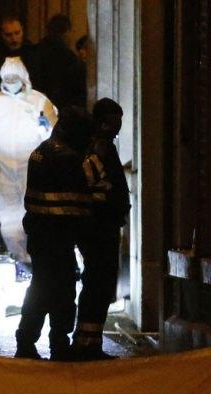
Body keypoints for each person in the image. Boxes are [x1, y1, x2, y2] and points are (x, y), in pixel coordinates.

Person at [14, 106, 93, 361]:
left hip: (39, 233)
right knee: (63, 292)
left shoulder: (41, 151)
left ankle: (26, 341)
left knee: (40, 289)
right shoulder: (68, 158)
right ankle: (58, 343)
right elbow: (77, 203)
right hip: (58, 235)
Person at [0, 57, 57, 273]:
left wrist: (47, 129)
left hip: (34, 169)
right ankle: (20, 259)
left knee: (36, 215)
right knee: (9, 217)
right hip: (4, 172)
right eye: (7, 78)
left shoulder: (39, 101)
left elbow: (55, 136)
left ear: (23, 77)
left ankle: (39, 260)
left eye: (14, 77)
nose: (11, 81)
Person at [73, 98, 130, 360]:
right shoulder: (98, 147)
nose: (117, 129)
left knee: (98, 283)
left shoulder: (101, 145)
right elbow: (95, 182)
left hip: (102, 224)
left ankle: (90, 341)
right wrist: (109, 202)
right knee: (98, 283)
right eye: (114, 123)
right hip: (99, 226)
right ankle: (87, 343)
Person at [35, 14, 86, 109]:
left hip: (39, 105)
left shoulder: (35, 52)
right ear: (67, 33)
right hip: (63, 108)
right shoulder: (70, 58)